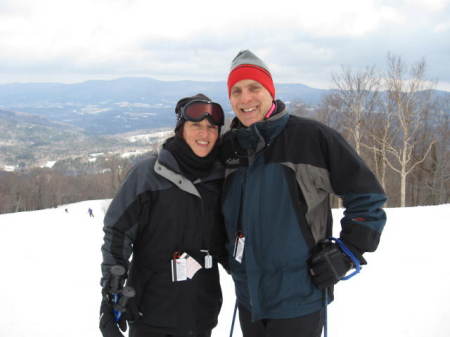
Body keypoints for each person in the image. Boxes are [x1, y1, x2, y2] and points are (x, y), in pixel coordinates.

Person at [220, 50, 387, 337]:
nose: (245, 98)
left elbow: (368, 198)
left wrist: (348, 251)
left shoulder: (310, 138)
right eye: (236, 91)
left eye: (254, 88)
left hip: (299, 299)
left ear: (270, 92)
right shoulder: (228, 149)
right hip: (249, 299)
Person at [99, 94, 228, 337]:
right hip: (150, 315)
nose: (205, 134)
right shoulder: (148, 175)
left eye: (212, 127)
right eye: (196, 126)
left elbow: (228, 243)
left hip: (201, 316)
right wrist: (111, 295)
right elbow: (117, 233)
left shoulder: (221, 179)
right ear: (180, 129)